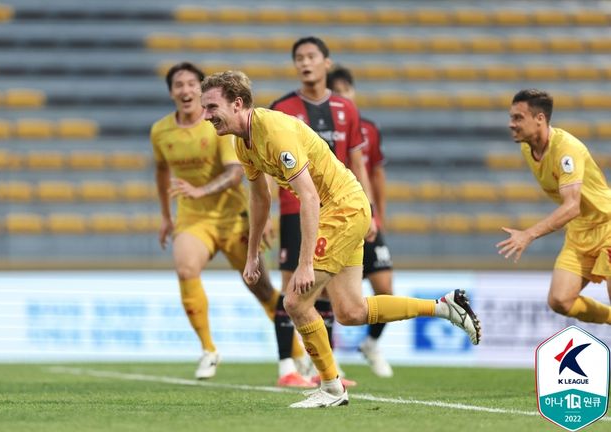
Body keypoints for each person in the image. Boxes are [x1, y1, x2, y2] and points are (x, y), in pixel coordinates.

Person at [200, 70, 481, 408]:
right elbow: (260, 198)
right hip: (344, 207)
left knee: (295, 301)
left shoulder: (273, 131)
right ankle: (445, 307)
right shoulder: (242, 142)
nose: (205, 116)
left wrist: (305, 265)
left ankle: (332, 387)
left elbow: (309, 197)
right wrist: (251, 256)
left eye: (211, 107)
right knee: (350, 311)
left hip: (341, 208)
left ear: (238, 103)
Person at [150, 62, 282, 380]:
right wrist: (167, 216)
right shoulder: (160, 131)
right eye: (178, 84)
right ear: (171, 92)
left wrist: (200, 190)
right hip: (194, 220)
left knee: (261, 288)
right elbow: (161, 171)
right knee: (185, 268)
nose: (185, 90)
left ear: (201, 89)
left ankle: (294, 350)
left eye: (191, 84)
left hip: (233, 218)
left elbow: (236, 173)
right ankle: (209, 349)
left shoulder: (217, 124)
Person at [269, 36, 377, 387]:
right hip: (293, 208)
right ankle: (286, 367)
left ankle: (322, 370)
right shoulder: (282, 108)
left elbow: (358, 162)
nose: (305, 62)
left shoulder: (347, 109)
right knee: (292, 287)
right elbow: (270, 164)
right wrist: (271, 211)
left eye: (311, 56)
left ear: (326, 63)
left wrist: (370, 211)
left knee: (328, 289)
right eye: (299, 57)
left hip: (339, 208)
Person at [498, 89, 611, 325]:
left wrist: (528, 234)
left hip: (607, 225)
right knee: (560, 300)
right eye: (511, 118)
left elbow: (572, 207)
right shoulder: (528, 148)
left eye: (518, 118)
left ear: (540, 119)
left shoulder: (566, 150)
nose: (511, 124)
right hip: (580, 231)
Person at [327, 65, 394, 378]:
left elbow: (375, 173)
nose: (343, 98)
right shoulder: (321, 130)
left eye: (346, 92)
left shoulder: (368, 128)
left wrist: (377, 213)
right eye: (337, 93)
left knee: (385, 289)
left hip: (365, 215)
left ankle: (371, 344)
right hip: (337, 216)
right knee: (329, 294)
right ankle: (329, 362)